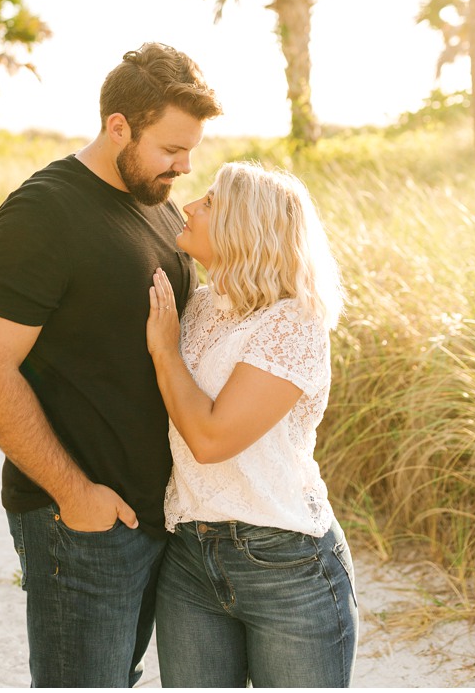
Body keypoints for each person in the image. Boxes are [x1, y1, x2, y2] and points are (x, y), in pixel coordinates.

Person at [0, 42, 222, 688]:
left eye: (191, 149)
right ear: (118, 126)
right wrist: (76, 497)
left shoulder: (158, 204)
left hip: (157, 512)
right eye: (170, 149)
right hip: (81, 521)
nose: (185, 167)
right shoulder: (43, 213)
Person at [144, 161, 356, 687]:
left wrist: (165, 353)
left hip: (287, 566)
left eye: (211, 201)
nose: (190, 205)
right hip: (191, 556)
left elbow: (211, 439)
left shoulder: (294, 322)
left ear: (247, 226)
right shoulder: (199, 304)